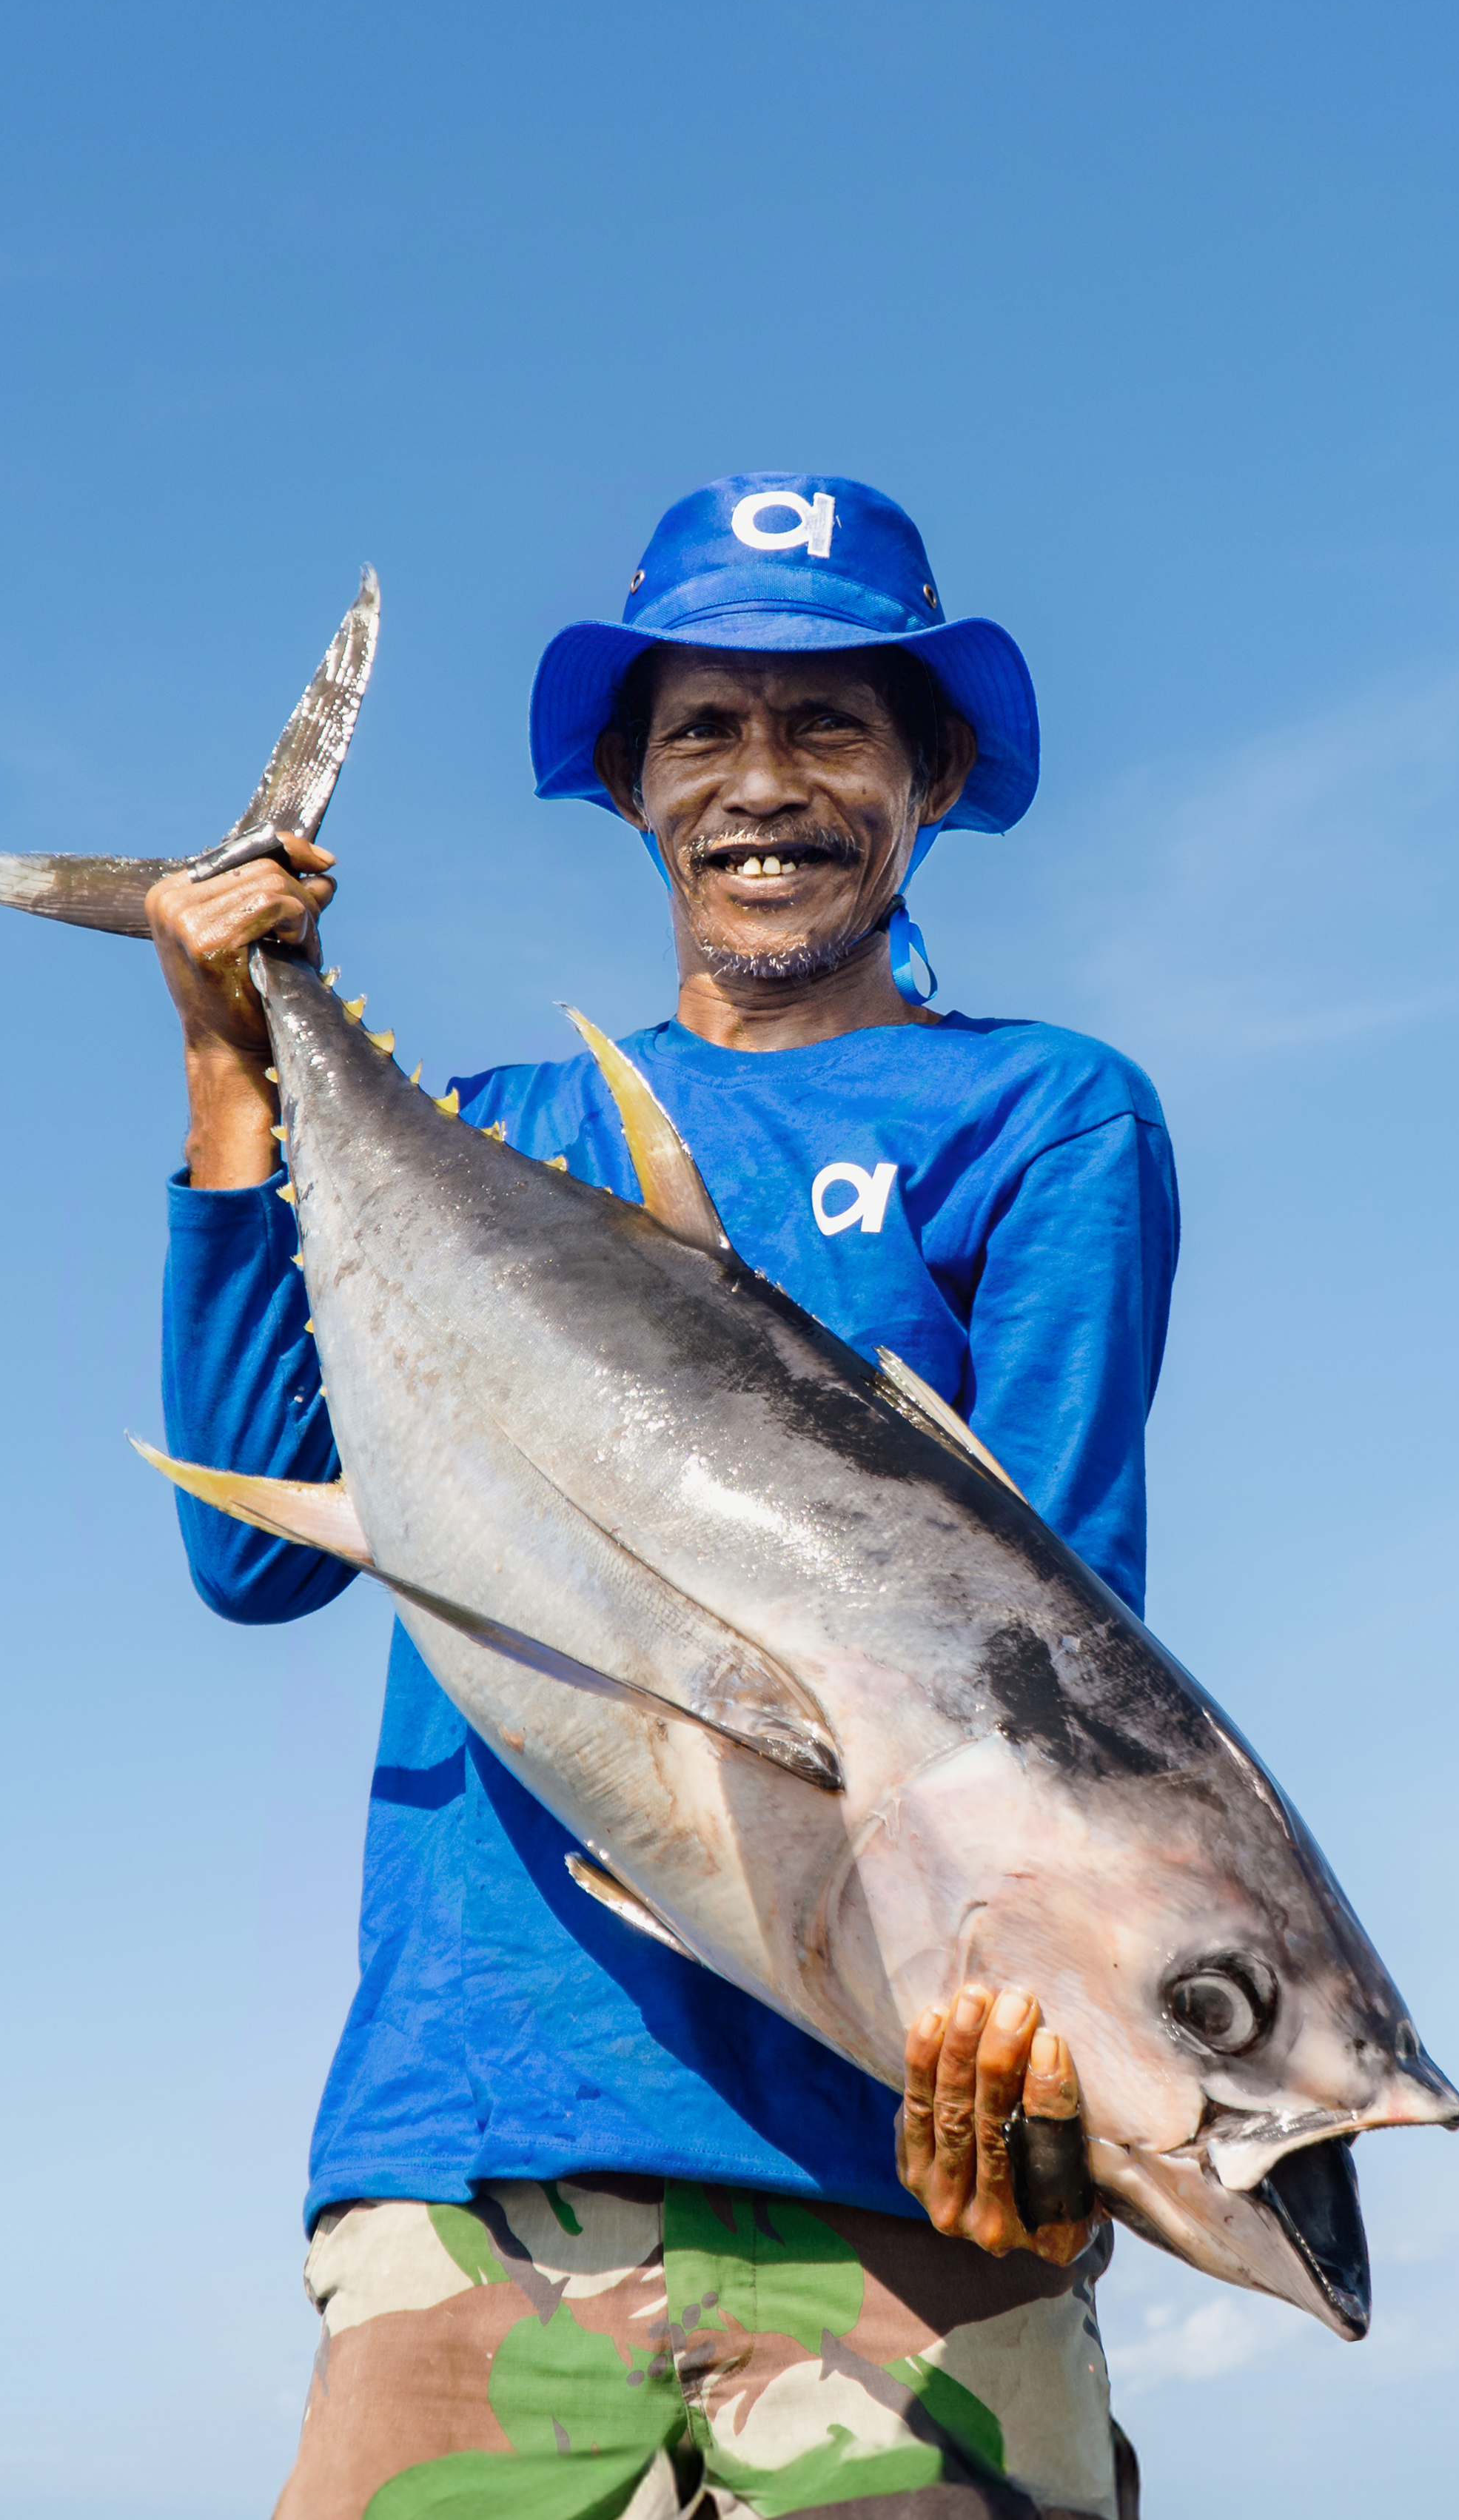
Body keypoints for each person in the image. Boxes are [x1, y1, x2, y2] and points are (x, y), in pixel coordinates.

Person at [150, 477, 1178, 2520]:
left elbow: (1042, 1661)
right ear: (628, 784)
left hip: (901, 2171)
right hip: (481, 2144)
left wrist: (1070, 2075)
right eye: (703, 728)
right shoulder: (486, 1134)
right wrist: (229, 1062)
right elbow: (252, 1552)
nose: (765, 785)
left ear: (929, 778)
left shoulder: (1039, 1115)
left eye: (833, 728)